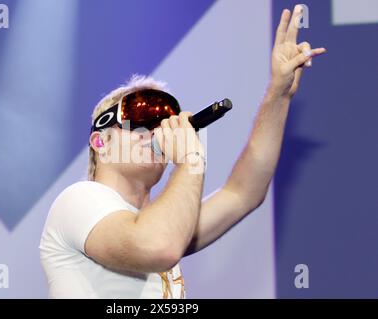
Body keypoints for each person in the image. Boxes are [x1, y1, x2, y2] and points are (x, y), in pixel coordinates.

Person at [39, 5, 326, 298]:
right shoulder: (80, 200)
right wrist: (190, 160)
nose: (156, 131)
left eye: (164, 123)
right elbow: (159, 246)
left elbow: (243, 193)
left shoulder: (160, 220)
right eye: (140, 119)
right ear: (101, 142)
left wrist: (278, 93)